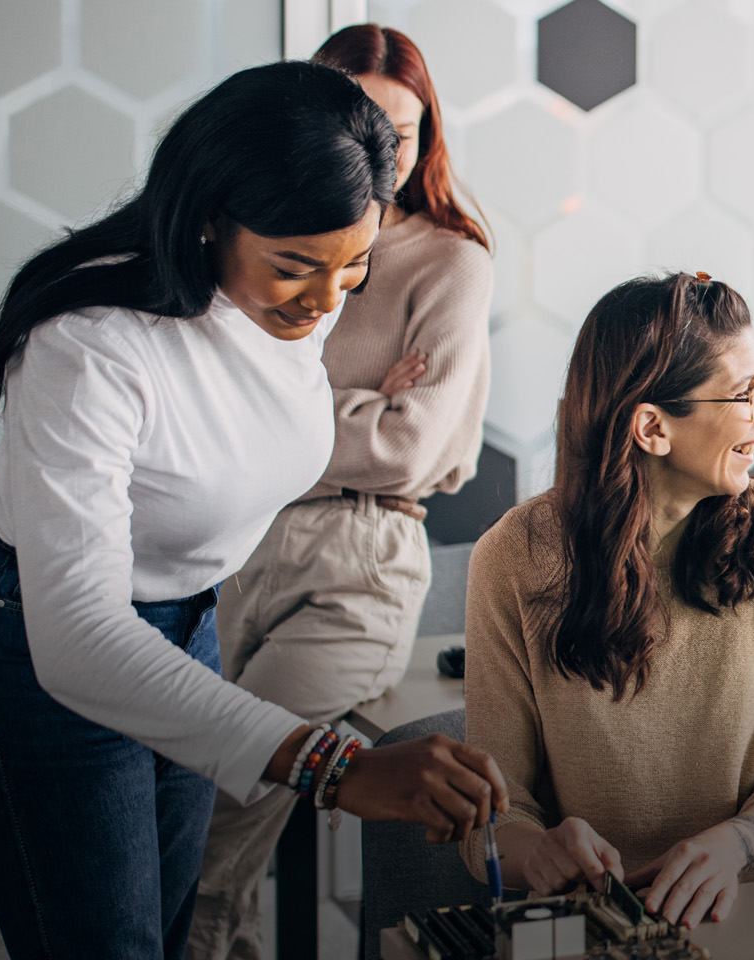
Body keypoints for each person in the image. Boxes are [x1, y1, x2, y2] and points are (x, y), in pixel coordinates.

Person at [0, 61, 505, 960]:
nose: (324, 302)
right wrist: (335, 767)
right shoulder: (92, 342)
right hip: (32, 646)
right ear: (207, 219)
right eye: (298, 268)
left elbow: (193, 452)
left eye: (354, 269)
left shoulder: (283, 302)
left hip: (191, 624)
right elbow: (80, 638)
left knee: (174, 929)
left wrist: (15, 489)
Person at [187, 25, 496, 960]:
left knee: (227, 820)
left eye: (401, 134)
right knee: (175, 791)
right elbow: (201, 406)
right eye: (360, 127)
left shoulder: (451, 260)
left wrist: (285, 413)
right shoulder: (251, 232)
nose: (382, 158)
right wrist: (356, 403)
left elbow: (407, 453)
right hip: (232, 537)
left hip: (361, 555)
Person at [460, 273, 754, 930]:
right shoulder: (509, 558)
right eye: (747, 393)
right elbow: (494, 819)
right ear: (653, 428)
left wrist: (735, 846)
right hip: (596, 925)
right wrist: (538, 852)